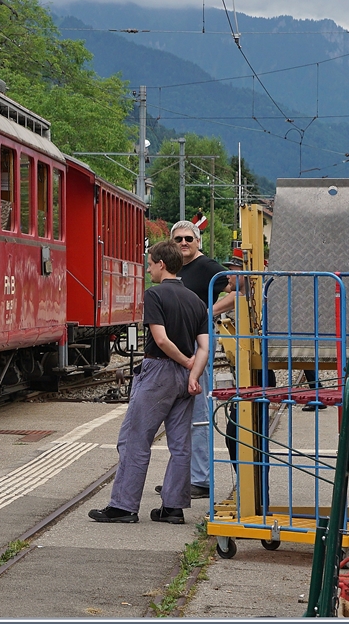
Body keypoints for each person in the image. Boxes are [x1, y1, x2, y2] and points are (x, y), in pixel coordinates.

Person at [89, 240, 208, 524]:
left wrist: (185, 362)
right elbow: (204, 346)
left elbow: (161, 340)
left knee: (134, 440)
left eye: (151, 264)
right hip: (185, 381)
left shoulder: (154, 295)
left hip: (158, 373)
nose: (149, 269)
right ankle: (173, 508)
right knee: (180, 445)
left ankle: (123, 507)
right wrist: (193, 373)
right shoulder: (196, 300)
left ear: (162, 264)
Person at [170, 220, 236, 500]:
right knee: (179, 416)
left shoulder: (208, 267)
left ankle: (201, 479)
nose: (184, 243)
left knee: (198, 413)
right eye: (178, 239)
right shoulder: (173, 267)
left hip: (199, 345)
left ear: (198, 241)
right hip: (177, 344)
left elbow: (238, 290)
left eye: (189, 238)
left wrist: (210, 310)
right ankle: (182, 478)